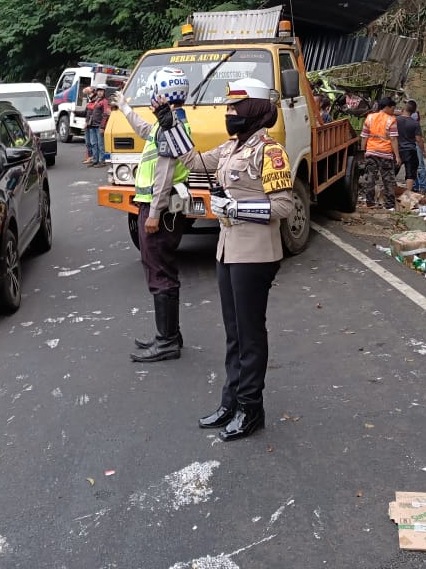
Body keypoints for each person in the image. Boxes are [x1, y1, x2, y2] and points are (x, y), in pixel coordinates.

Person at [151, 78, 294, 442]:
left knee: (249, 333)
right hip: (228, 249)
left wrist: (236, 206)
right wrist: (170, 123)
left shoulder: (270, 151)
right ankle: (231, 401)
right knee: (233, 334)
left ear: (253, 111)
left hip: (256, 252)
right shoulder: (233, 147)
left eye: (235, 108)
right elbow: (194, 160)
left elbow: (283, 206)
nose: (229, 114)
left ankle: (251, 407)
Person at [113, 70, 192, 363]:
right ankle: (170, 335)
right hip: (159, 206)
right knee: (163, 270)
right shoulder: (168, 125)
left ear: (165, 95)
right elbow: (146, 131)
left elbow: (164, 174)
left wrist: (154, 214)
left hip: (159, 208)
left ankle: (167, 341)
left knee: (160, 272)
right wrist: (124, 107)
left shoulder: (173, 127)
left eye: (155, 93)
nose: (152, 98)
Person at [360, 97, 400, 209]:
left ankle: (370, 202)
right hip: (385, 154)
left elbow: (364, 136)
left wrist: (364, 151)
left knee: (370, 178)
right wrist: (397, 156)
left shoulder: (370, 118)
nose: (393, 111)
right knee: (388, 180)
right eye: (392, 108)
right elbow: (393, 139)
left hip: (371, 152)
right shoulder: (391, 120)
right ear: (387, 107)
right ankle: (390, 205)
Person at [396, 103, 426, 193]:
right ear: (414, 112)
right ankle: (408, 195)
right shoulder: (415, 123)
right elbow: (419, 140)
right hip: (410, 150)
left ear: (403, 109)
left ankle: (389, 193)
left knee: (392, 172)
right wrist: (423, 151)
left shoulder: (395, 120)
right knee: (410, 174)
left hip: (397, 150)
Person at [85, 87, 109, 166]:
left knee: (100, 144)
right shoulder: (96, 101)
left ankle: (101, 161)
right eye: (98, 91)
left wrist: (102, 127)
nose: (100, 93)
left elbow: (105, 114)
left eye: (101, 91)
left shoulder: (105, 101)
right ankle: (95, 160)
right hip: (92, 125)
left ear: (104, 92)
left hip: (99, 126)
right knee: (94, 144)